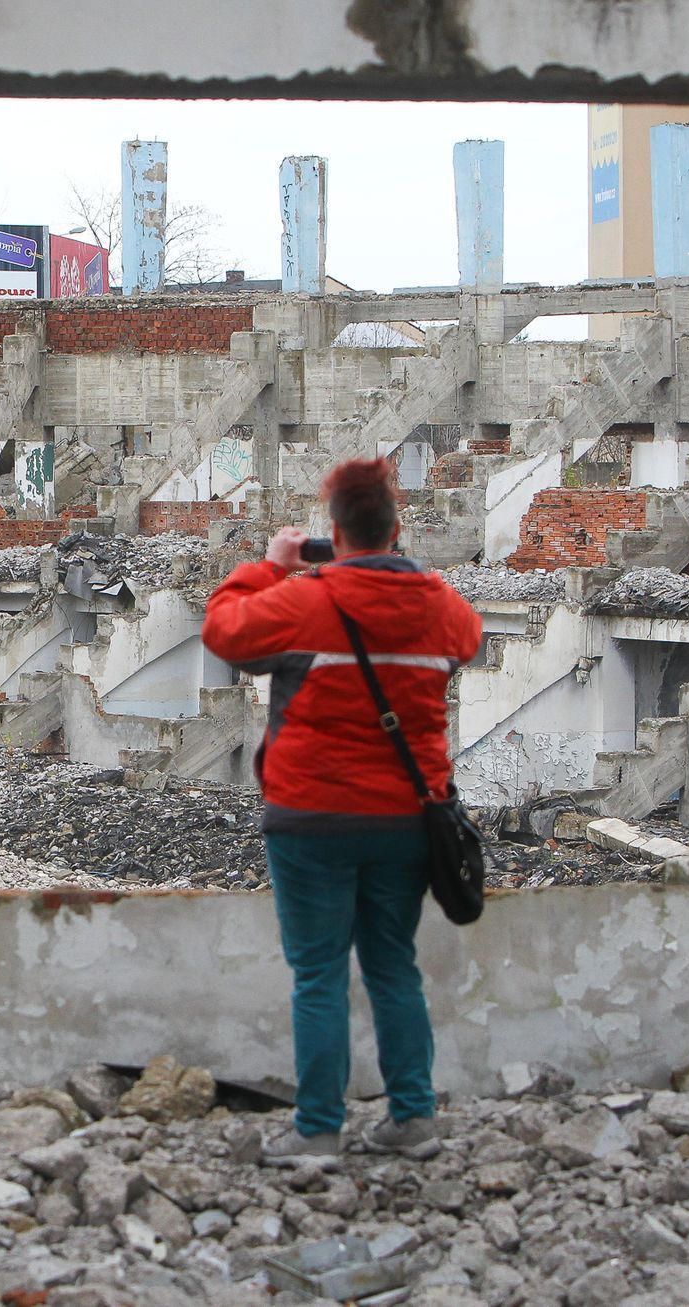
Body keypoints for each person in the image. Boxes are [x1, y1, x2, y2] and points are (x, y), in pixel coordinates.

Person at [201, 457, 481, 1158]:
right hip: (406, 821)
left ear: (334, 531)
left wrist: (270, 566)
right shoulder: (440, 604)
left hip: (311, 817)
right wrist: (419, 577)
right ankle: (412, 1117)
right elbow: (466, 641)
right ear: (395, 527)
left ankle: (317, 1129)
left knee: (318, 972)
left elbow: (224, 632)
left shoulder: (305, 600)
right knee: (392, 964)